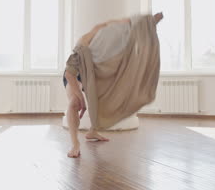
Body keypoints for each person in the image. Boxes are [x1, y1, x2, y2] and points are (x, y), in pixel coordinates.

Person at [63, 12, 163, 158]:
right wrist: (81, 99)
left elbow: (132, 24)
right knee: (74, 103)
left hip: (93, 75)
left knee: (104, 99)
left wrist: (151, 21)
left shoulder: (114, 32)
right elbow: (69, 74)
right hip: (75, 74)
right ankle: (75, 144)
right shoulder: (84, 44)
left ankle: (93, 131)